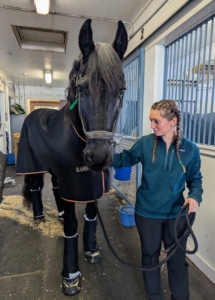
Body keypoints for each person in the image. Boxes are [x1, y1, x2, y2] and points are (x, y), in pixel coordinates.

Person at [112, 100, 203, 300]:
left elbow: (195, 179)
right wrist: (101, 153)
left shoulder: (191, 150)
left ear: (173, 121)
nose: (152, 126)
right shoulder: (145, 143)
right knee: (150, 259)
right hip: (147, 214)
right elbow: (124, 160)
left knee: (177, 262)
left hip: (176, 216)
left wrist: (194, 197)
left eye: (156, 121)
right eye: (151, 121)